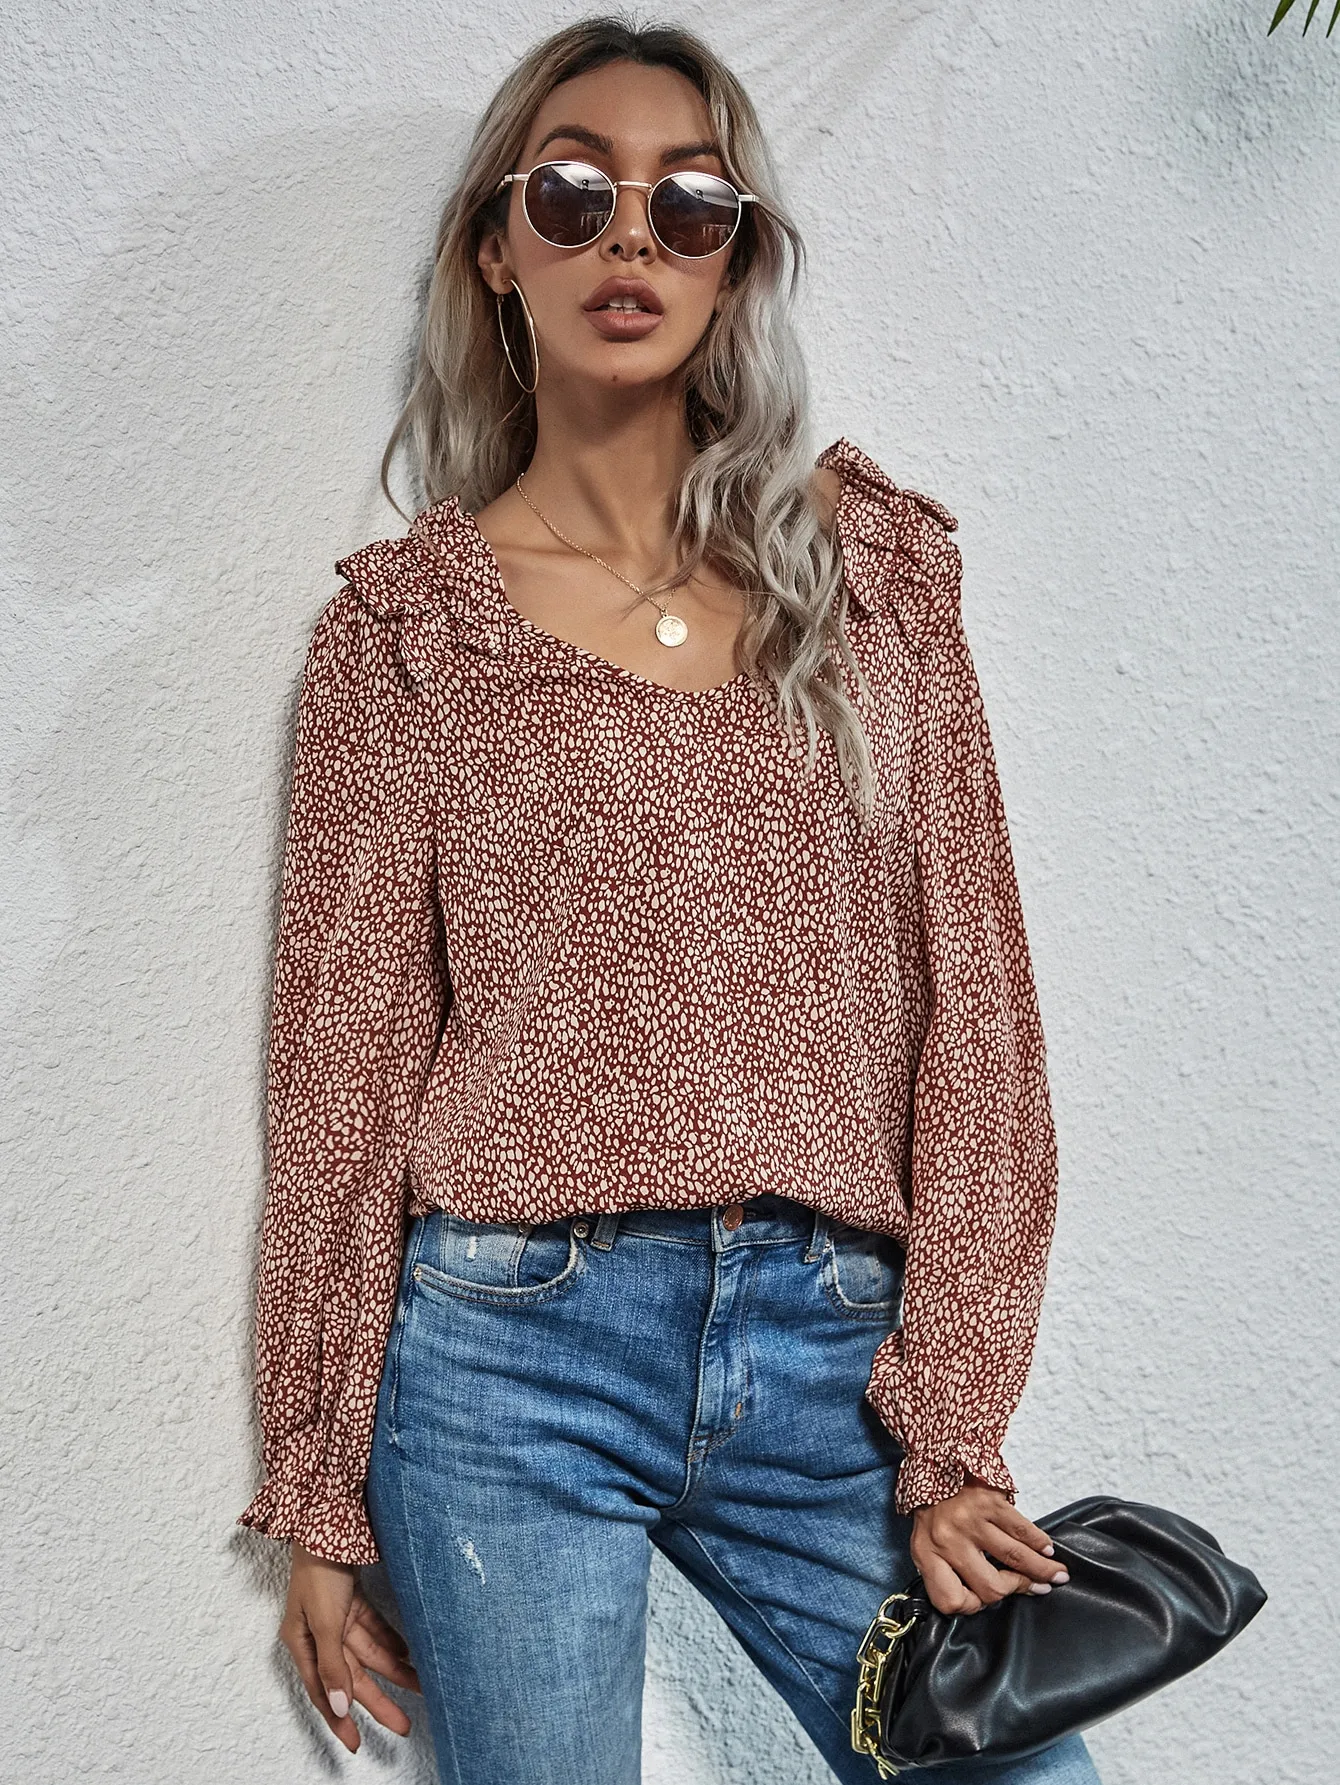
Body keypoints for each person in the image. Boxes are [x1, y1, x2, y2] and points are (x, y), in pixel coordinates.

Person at [238, 16, 1101, 1784]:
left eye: (688, 204)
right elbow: (344, 1077)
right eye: (574, 194)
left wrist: (954, 1428)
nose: (630, 237)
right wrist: (318, 1484)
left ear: (738, 259)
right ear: (497, 246)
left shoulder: (872, 580)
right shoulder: (405, 637)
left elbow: (979, 1013)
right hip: (507, 1363)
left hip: (834, 1358)